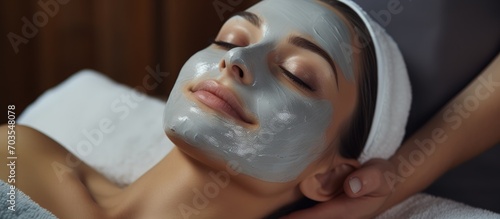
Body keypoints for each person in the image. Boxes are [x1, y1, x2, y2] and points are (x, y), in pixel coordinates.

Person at [1, 0, 411, 218]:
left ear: (329, 177)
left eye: (296, 75)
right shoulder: (15, 153)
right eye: (231, 39)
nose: (236, 61)